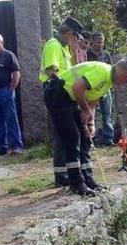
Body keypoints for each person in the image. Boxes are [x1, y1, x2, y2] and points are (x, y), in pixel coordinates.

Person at [43, 59, 127, 195]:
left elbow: (92, 101)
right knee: (72, 136)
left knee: (85, 137)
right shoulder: (103, 72)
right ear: (125, 73)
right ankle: (76, 183)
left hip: (70, 98)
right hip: (58, 94)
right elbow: (77, 87)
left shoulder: (108, 81)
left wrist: (90, 123)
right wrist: (84, 110)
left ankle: (88, 179)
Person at [40, 17, 84, 186]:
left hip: (65, 93)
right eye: (75, 36)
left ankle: (64, 172)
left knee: (65, 133)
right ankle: (61, 175)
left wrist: (73, 51)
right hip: (56, 91)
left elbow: (74, 71)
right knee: (64, 133)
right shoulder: (53, 44)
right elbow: (52, 71)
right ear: (67, 33)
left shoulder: (65, 48)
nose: (77, 40)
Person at [0, 32, 23, 157]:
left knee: (11, 119)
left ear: (2, 43)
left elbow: (16, 73)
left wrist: (11, 89)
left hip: (4, 91)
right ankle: (1, 147)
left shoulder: (8, 55)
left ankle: (16, 146)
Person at [86, 32, 114, 146]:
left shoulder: (106, 55)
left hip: (105, 89)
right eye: (98, 42)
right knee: (92, 115)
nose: (101, 44)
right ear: (92, 42)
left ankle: (108, 138)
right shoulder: (87, 54)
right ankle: (94, 138)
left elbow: (112, 71)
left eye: (102, 42)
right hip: (92, 89)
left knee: (107, 114)